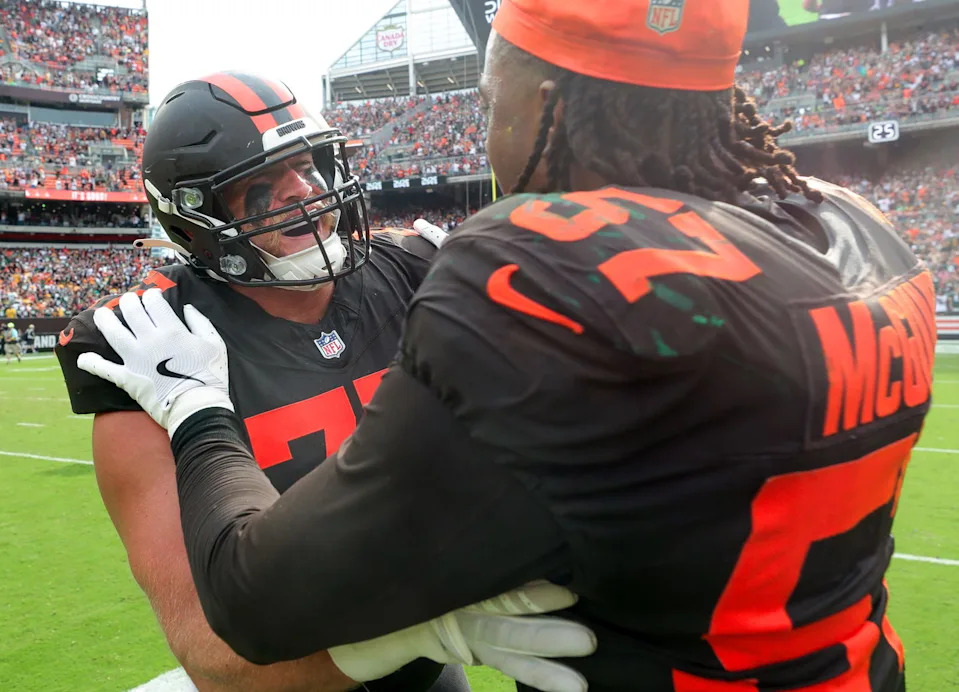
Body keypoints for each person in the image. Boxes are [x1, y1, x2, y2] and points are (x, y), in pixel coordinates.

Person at [79, 2, 933, 690]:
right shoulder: (857, 228)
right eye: (263, 187)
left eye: (489, 100)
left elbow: (252, 602)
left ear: (550, 103)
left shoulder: (526, 278)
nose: (306, 198)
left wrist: (196, 413)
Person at [57, 72, 593, 692]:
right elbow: (213, 649)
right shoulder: (148, 344)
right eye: (260, 185)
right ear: (195, 217)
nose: (308, 193)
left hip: (425, 665)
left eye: (308, 165)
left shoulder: (417, 269)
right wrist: (425, 631)